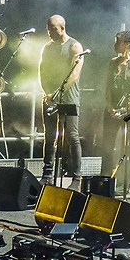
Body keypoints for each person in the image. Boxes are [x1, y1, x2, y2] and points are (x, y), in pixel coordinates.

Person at [37, 15, 86, 180]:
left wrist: (58, 92)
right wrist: (47, 92)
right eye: (48, 29)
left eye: (53, 28)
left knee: (72, 135)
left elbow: (74, 75)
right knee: (49, 135)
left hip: (69, 98)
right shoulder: (47, 48)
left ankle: (77, 174)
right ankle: (48, 171)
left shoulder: (75, 46)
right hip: (50, 97)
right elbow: (42, 72)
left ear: (62, 28)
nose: (50, 32)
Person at [98, 30, 130, 172]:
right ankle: (105, 178)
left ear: (126, 44)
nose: (114, 45)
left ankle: (122, 183)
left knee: (128, 147)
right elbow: (108, 87)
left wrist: (127, 108)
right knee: (107, 143)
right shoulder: (112, 62)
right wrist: (109, 106)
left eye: (117, 42)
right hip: (112, 108)